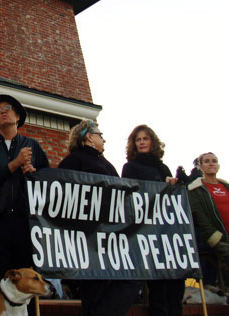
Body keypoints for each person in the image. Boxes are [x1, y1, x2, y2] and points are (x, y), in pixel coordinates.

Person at [58, 120, 141, 316]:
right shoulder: (73, 161)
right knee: (93, 287)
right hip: (88, 237)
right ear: (89, 137)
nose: (103, 138)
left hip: (112, 235)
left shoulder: (107, 164)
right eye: (100, 134)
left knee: (131, 279)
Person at [0, 94, 49, 291]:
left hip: (26, 222)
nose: (3, 112)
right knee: (2, 278)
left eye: (7, 108)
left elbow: (48, 182)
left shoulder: (32, 146)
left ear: (17, 116)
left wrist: (34, 174)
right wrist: (14, 164)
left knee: (27, 279)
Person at [121, 124, 183, 316]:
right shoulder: (130, 167)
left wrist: (173, 184)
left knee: (176, 287)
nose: (141, 142)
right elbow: (130, 197)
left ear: (152, 141)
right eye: (138, 140)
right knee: (158, 289)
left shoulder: (162, 167)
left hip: (168, 233)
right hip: (149, 234)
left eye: (145, 139)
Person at [188, 152, 229, 291]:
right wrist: (215, 237)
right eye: (207, 161)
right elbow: (200, 217)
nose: (211, 163)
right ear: (200, 166)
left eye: (214, 160)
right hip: (220, 238)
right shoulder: (195, 190)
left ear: (218, 165)